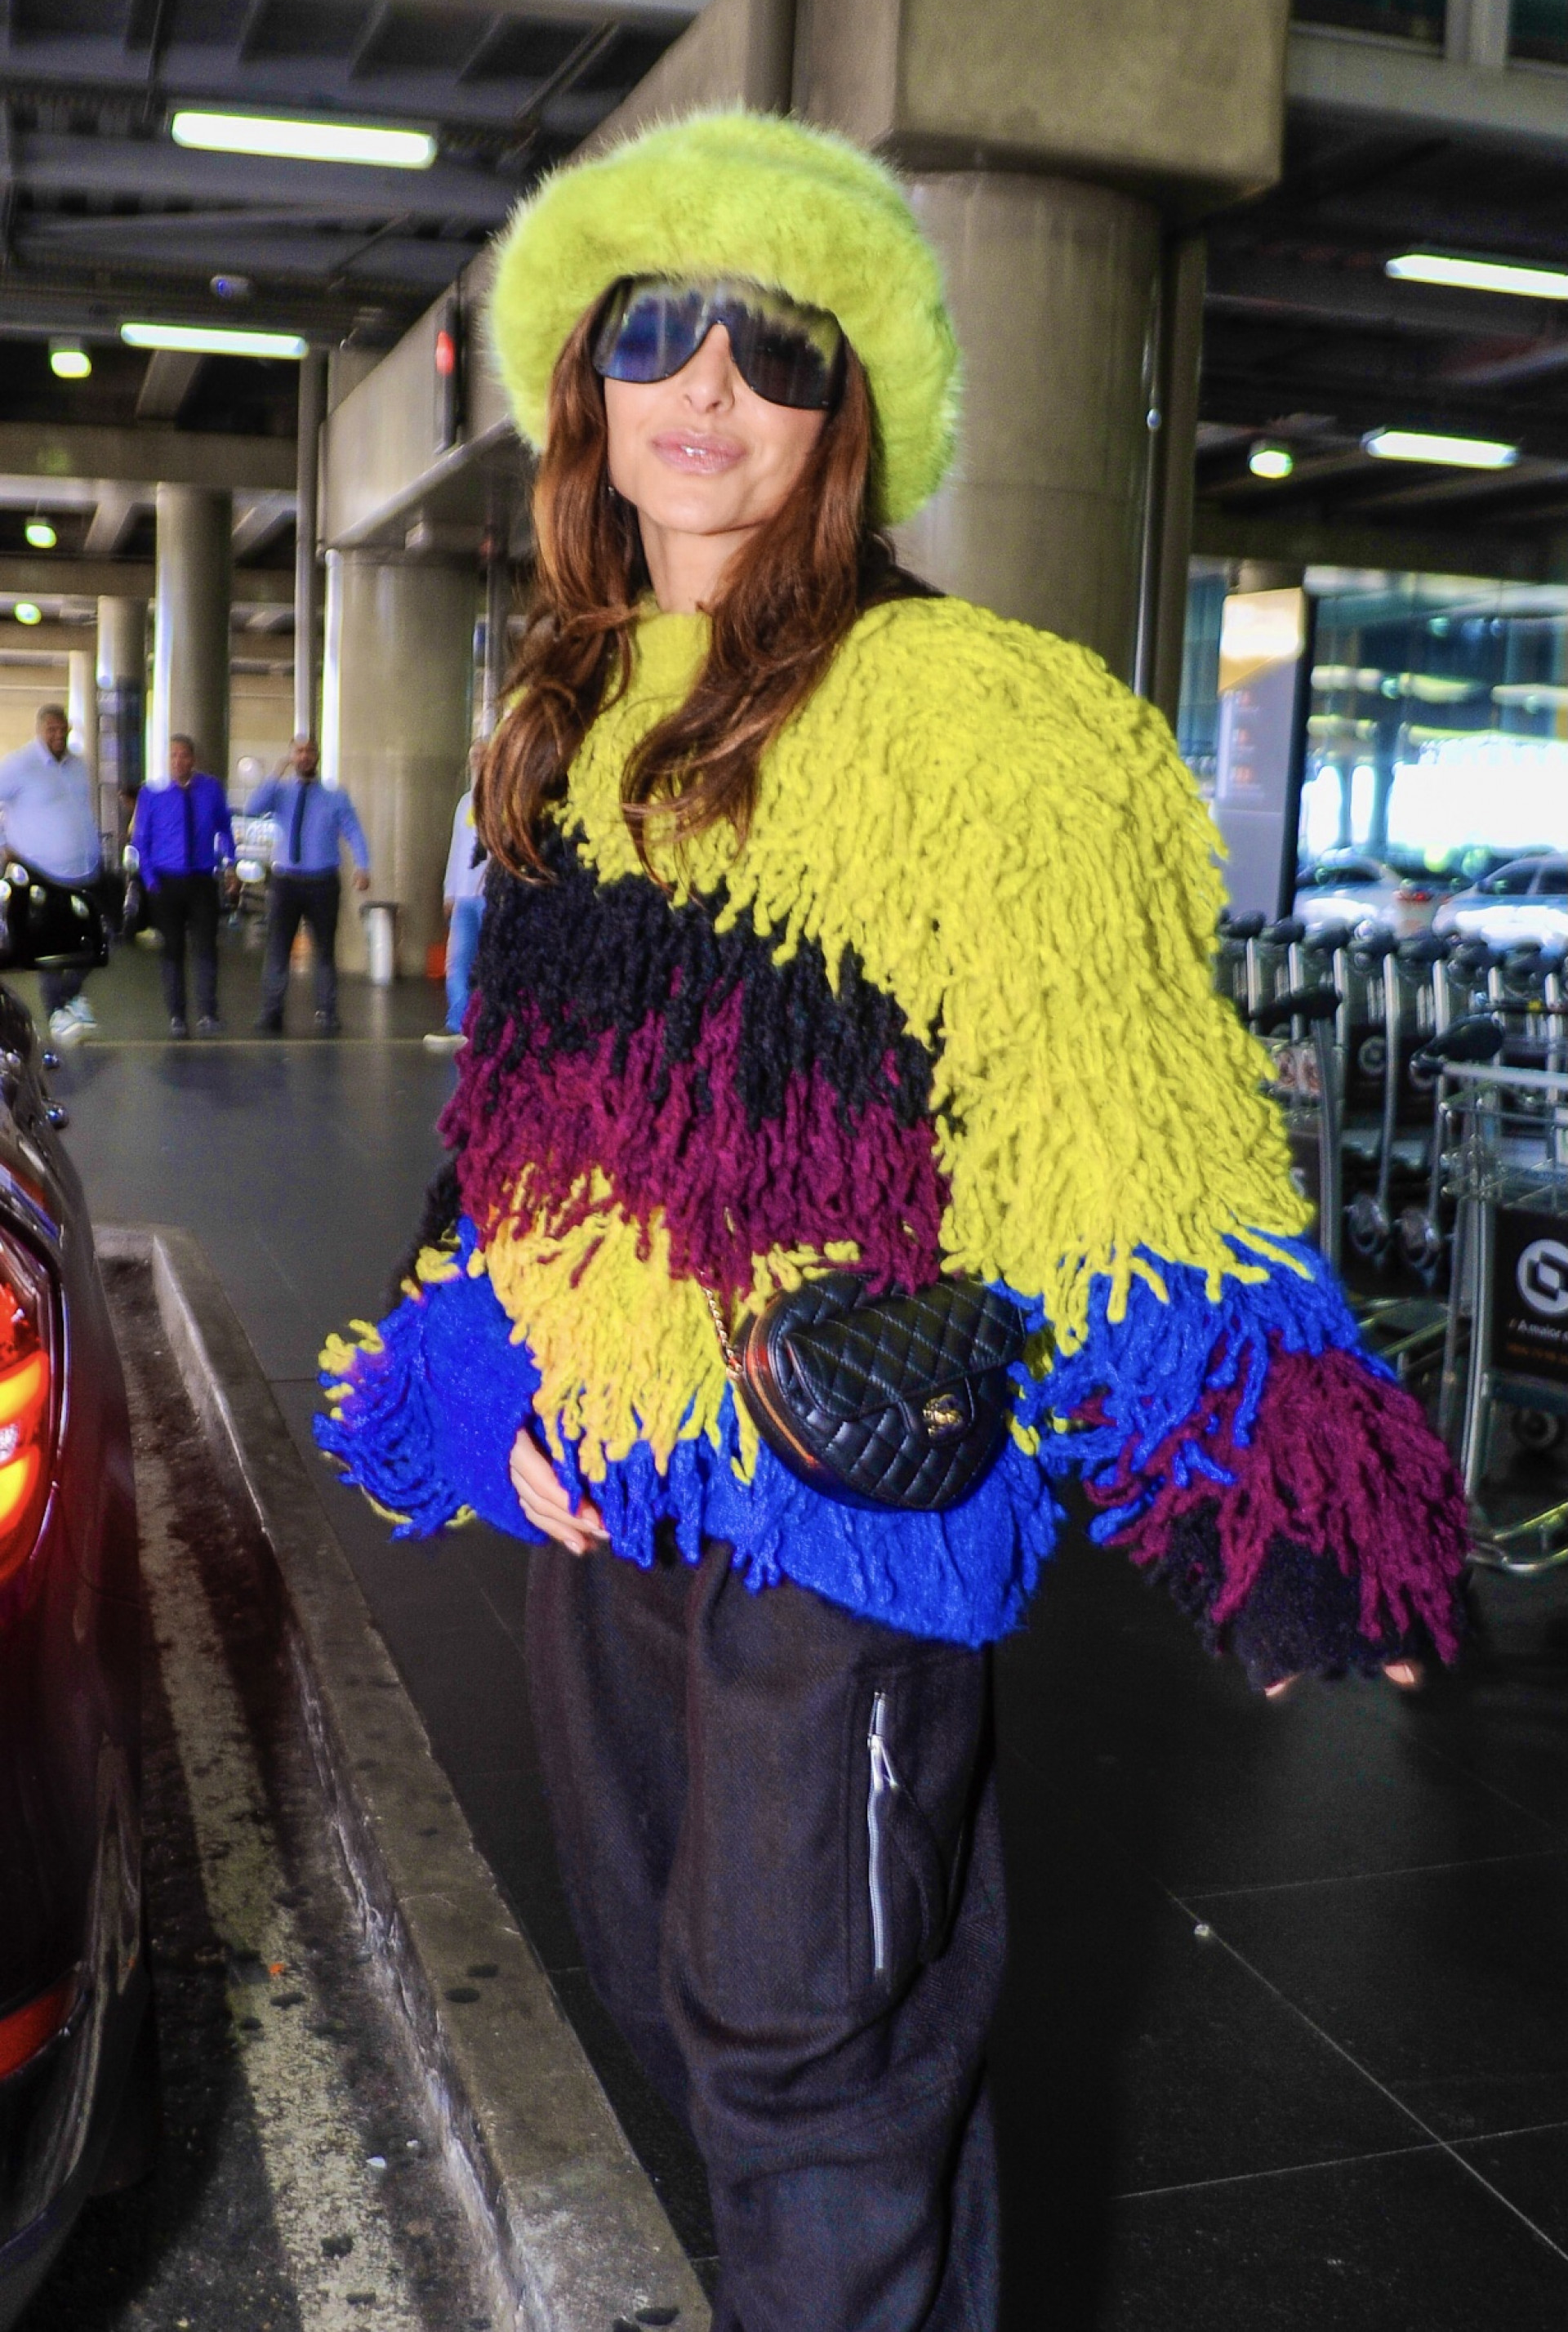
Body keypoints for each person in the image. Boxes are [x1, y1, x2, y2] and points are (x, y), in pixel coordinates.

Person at [316, 114, 1469, 2330]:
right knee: (689, 2022)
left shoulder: (991, 716)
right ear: (583, 385)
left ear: (855, 410)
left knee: (815, 2055)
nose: (709, 383)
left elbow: (1122, 1125)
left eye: (778, 341)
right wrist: (474, 1364)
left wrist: (1287, 1488)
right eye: (658, 326)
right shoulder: (566, 714)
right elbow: (523, 1129)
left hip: (839, 1511)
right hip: (606, 1497)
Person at [246, 734, 369, 1036]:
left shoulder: (335, 796)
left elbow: (353, 830)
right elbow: (253, 808)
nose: (304, 756)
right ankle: (271, 1012)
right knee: (277, 949)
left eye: (309, 751)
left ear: (317, 756)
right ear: (292, 756)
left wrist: (363, 865)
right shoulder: (281, 793)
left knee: (325, 950)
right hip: (286, 882)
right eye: (298, 751)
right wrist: (276, 773)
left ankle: (327, 1012)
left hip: (322, 883)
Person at [0, 701, 105, 1050]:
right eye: (52, 730)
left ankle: (70, 998)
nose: (58, 736)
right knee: (51, 944)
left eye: (63, 730)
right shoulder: (19, 765)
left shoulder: (79, 766)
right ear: (40, 729)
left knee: (93, 940)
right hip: (41, 871)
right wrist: (5, 845)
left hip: (85, 871)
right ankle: (57, 1012)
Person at [127, 733, 237, 1037]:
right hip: (165, 881)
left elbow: (224, 828)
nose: (178, 761)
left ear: (193, 759)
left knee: (206, 948)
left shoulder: (211, 789)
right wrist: (150, 882)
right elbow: (141, 841)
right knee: (172, 950)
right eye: (173, 756)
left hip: (201, 879)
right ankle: (177, 1015)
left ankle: (208, 1013)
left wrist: (230, 864)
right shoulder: (152, 793)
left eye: (184, 756)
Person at [425, 743, 488, 1053]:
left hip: (492, 897)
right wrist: (449, 891)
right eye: (474, 754)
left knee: (492, 963)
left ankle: (490, 1024)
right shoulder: (465, 803)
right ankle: (458, 1023)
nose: (477, 758)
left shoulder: (504, 800)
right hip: (464, 898)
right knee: (457, 962)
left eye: (484, 753)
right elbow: (456, 850)